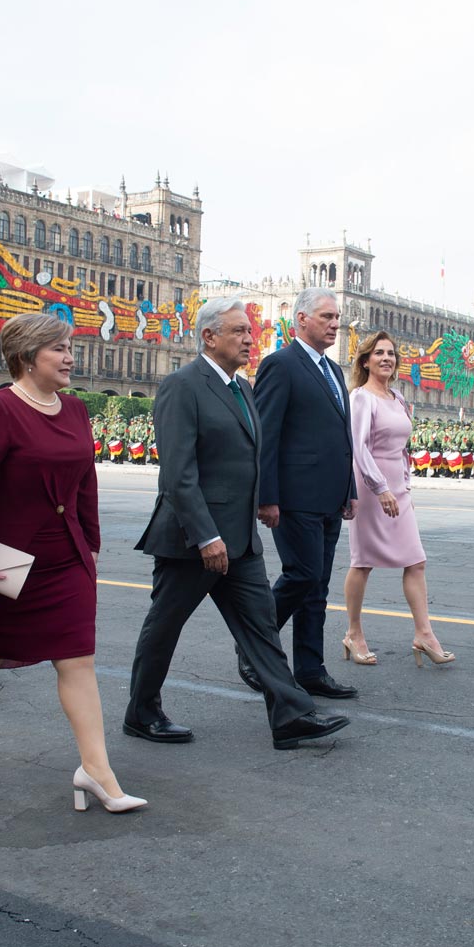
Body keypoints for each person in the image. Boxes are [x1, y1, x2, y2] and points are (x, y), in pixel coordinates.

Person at [0, 312, 145, 814]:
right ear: (26, 356)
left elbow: (85, 483)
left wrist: (91, 541)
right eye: (58, 348)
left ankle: (96, 770)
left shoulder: (76, 410)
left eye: (69, 347)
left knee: (78, 658)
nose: (69, 357)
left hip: (66, 557)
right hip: (5, 563)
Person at [125, 298, 351, 750]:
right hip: (194, 539)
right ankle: (142, 712)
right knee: (165, 626)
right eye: (239, 332)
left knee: (261, 627)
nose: (251, 339)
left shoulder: (242, 388)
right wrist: (206, 535)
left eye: (249, 331)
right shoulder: (181, 386)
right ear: (209, 337)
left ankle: (290, 715)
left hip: (240, 540)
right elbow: (178, 474)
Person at [244, 286, 359, 699]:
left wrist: (349, 489)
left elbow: (340, 436)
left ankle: (311, 670)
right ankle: (253, 645)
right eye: (327, 316)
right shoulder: (281, 364)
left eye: (336, 317)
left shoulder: (333, 370)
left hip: (329, 498)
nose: (335, 324)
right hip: (293, 498)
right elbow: (266, 435)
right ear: (302, 320)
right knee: (302, 575)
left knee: (318, 588)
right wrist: (266, 496)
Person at [341, 332, 454, 668]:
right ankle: (354, 633)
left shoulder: (398, 398)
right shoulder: (361, 398)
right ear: (365, 361)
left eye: (391, 353)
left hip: (398, 489)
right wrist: (381, 488)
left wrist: (404, 489)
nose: (386, 358)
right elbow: (358, 447)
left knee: (415, 560)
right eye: (379, 353)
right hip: (370, 486)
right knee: (363, 562)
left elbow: (401, 451)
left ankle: (424, 634)